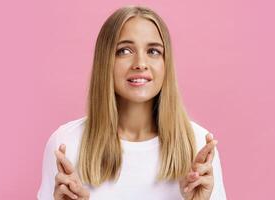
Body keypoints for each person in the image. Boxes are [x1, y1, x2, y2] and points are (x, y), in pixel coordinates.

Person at [37, 5, 227, 200]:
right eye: (125, 50)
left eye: (153, 51)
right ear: (105, 61)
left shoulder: (197, 145)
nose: (140, 63)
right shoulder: (66, 144)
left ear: (165, 63)